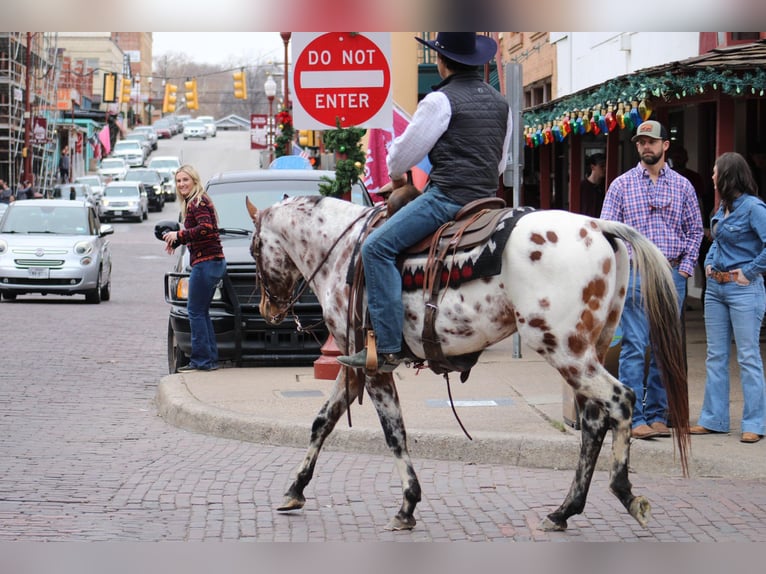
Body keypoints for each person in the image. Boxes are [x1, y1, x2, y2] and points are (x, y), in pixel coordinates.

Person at [337, 32, 512, 372]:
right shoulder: (500, 102)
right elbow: (501, 164)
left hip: (448, 198)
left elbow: (401, 156)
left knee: (376, 248)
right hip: (489, 201)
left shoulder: (439, 101)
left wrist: (399, 177)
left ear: (441, 62)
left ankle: (386, 348)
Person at [600, 120, 703, 439]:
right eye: (641, 142)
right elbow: (606, 232)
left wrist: (685, 269)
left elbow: (695, 231)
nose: (646, 146)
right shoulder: (621, 185)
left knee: (664, 347)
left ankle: (658, 414)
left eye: (651, 141)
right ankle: (635, 416)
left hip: (672, 273)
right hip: (635, 274)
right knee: (634, 345)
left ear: (664, 146)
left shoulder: (683, 186)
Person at [690, 152, 766, 443]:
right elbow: (718, 241)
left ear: (727, 175)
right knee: (716, 356)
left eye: (714, 172)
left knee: (748, 357)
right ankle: (714, 419)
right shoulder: (722, 208)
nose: (711, 177)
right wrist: (709, 261)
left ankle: (755, 423)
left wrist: (749, 271)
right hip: (716, 290)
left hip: (744, 289)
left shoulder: (754, 208)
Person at [162, 165, 226, 373]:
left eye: (185, 180)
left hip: (206, 263)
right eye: (179, 181)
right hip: (211, 261)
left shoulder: (197, 202)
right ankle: (210, 358)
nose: (182, 184)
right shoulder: (197, 201)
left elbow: (206, 228)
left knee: (195, 311)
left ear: (195, 181)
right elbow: (199, 232)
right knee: (202, 312)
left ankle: (201, 361)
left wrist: (179, 235)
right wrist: (177, 241)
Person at [668, 145, 715, 303]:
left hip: (694, 228)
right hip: (672, 232)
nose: (678, 159)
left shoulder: (693, 178)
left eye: (681, 156)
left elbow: (700, 204)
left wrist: (703, 227)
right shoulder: (665, 178)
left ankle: (703, 301)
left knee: (702, 264)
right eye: (675, 156)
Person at [579, 152, 606, 217]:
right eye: (602, 166)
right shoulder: (582, 186)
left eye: (606, 166)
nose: (605, 169)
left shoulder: (606, 186)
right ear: (592, 167)